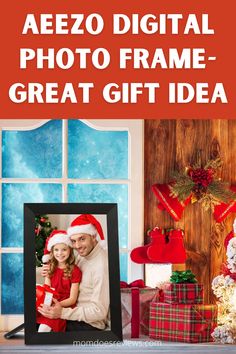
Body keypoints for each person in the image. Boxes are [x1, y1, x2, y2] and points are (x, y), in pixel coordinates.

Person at [38, 214, 110, 331]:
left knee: (42, 328)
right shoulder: (82, 254)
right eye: (73, 241)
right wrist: (47, 269)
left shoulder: (101, 266)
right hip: (69, 312)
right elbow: (62, 264)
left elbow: (99, 311)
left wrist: (61, 312)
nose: (77, 246)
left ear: (93, 236)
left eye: (82, 239)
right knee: (34, 319)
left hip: (88, 323)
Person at [37, 230, 82, 332]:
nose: (60, 253)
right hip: (50, 302)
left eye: (64, 249)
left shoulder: (75, 271)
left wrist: (56, 306)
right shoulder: (50, 268)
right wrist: (46, 304)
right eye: (56, 250)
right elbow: (47, 290)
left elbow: (72, 299)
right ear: (52, 252)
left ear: (70, 250)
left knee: (45, 327)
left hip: (64, 305)